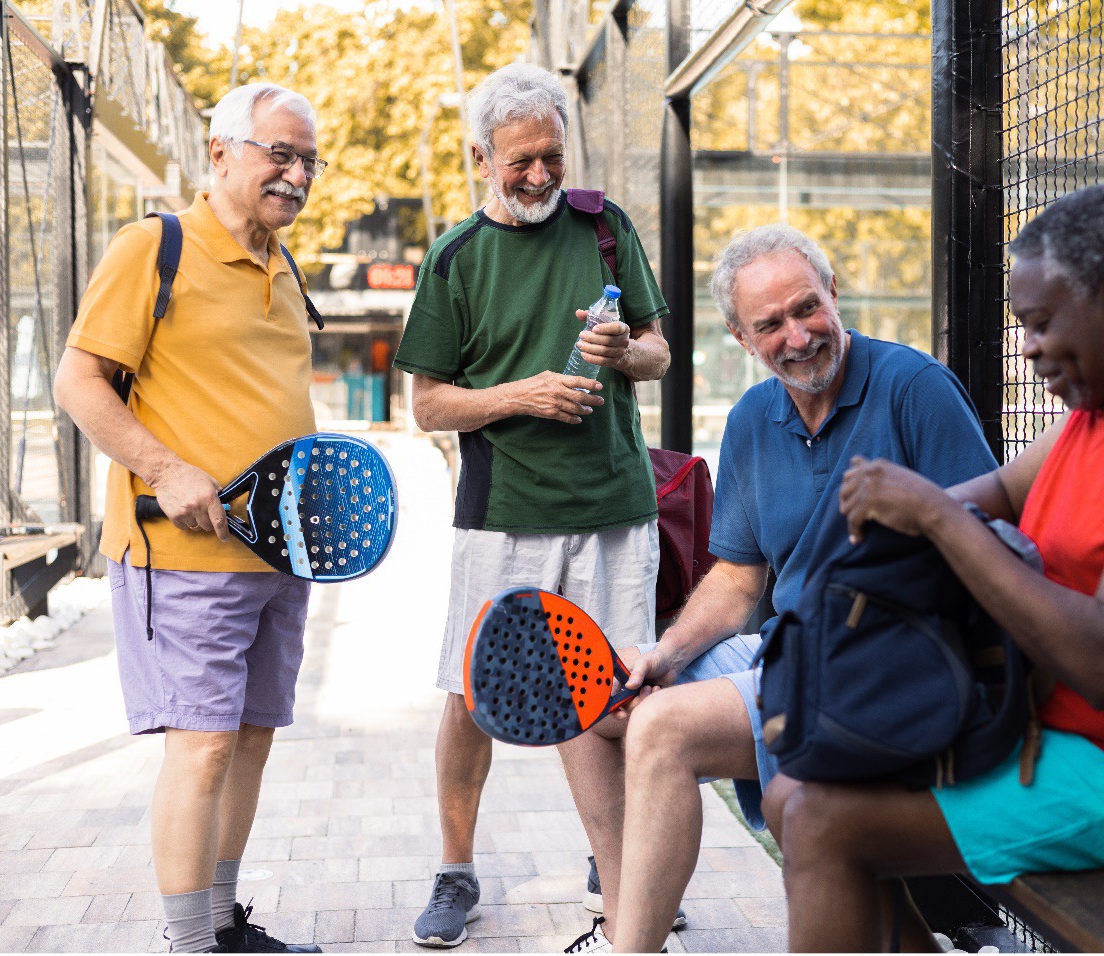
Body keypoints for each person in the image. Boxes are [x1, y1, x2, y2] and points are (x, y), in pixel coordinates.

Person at [765, 186, 1104, 951]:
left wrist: (933, 514)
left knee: (822, 821)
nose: (1029, 347)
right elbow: (996, 495)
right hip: (1052, 736)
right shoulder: (1099, 412)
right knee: (791, 790)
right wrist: (889, 510)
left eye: (1043, 324)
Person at [568, 224, 999, 953]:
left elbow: (984, 541)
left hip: (886, 670)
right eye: (771, 324)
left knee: (664, 730)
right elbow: (738, 579)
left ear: (834, 293)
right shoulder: (749, 421)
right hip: (786, 654)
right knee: (589, 687)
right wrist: (666, 656)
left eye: (807, 309)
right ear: (741, 337)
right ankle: (626, 906)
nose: (798, 337)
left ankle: (628, 946)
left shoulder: (914, 388)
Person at [390, 63, 671, 949]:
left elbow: (659, 354)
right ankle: (455, 869)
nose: (542, 175)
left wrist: (625, 350)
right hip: (503, 512)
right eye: (522, 161)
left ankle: (616, 865)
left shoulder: (605, 228)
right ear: (482, 158)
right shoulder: (455, 257)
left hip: (617, 508)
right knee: (474, 696)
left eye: (553, 155)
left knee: (617, 693)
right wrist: (523, 395)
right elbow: (428, 405)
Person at [52, 83, 328, 953]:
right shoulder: (155, 247)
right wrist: (165, 467)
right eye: (279, 153)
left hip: (278, 555)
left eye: (309, 161)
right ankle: (188, 944)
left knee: (249, 740)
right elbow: (78, 381)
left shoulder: (285, 266)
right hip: (184, 554)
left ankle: (219, 923)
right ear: (221, 152)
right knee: (201, 748)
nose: (296, 174)